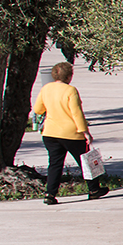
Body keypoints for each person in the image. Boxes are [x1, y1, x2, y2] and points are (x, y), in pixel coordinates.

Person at [32, 61, 106, 205]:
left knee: (54, 164)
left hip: (50, 133)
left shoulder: (46, 89)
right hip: (71, 134)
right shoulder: (70, 90)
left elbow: (38, 109)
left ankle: (50, 194)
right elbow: (76, 113)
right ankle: (94, 190)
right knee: (85, 162)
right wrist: (85, 131)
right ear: (69, 76)